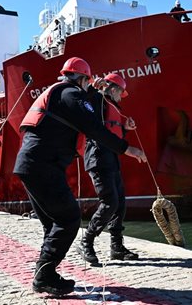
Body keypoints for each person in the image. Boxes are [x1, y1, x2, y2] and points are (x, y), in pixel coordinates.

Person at [13, 57, 146, 296]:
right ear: (83, 79)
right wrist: (129, 149)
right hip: (42, 165)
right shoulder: (71, 94)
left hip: (32, 164)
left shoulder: (61, 93)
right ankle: (44, 275)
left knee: (53, 225)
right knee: (69, 218)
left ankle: (45, 274)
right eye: (88, 81)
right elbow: (94, 128)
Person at [77, 73, 140, 264]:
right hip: (98, 158)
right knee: (109, 202)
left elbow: (111, 132)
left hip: (110, 158)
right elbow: (92, 121)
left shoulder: (112, 107)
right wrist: (93, 89)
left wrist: (125, 128)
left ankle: (117, 247)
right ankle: (86, 241)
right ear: (113, 89)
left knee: (119, 203)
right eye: (121, 92)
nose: (122, 97)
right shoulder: (97, 100)